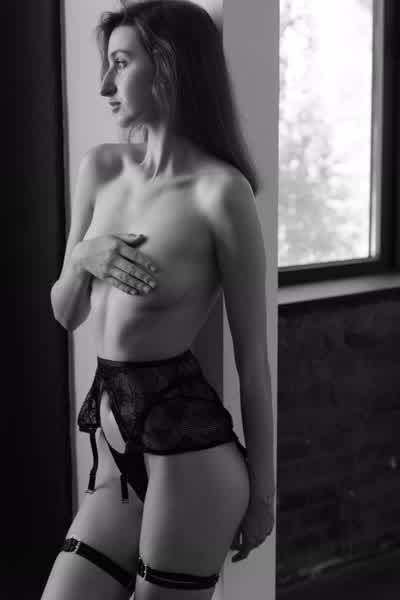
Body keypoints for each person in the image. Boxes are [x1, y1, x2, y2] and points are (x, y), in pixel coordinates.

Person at [43, 1, 275, 598]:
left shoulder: (221, 192)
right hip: (113, 456)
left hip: (192, 456)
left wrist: (264, 495)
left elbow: (252, 362)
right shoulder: (100, 169)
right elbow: (66, 312)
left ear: (167, 67)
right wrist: (84, 256)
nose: (104, 85)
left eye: (121, 63)